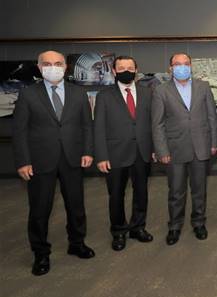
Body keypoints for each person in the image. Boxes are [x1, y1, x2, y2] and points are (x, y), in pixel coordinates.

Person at [13, 50, 95, 276]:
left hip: (73, 157)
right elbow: (19, 131)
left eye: (58, 63)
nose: (53, 67)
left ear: (65, 67)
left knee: (76, 206)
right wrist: (23, 161)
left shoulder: (79, 93)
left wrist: (88, 151)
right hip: (40, 160)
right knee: (40, 209)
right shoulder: (28, 94)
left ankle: (77, 243)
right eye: (47, 64)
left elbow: (87, 125)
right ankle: (41, 253)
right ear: (40, 68)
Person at [151, 52, 217, 245]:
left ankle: (199, 223)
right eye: (177, 64)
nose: (182, 67)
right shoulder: (161, 91)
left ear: (191, 66)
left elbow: (212, 117)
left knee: (199, 190)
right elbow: (157, 124)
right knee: (176, 192)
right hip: (175, 149)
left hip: (200, 147)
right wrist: (162, 151)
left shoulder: (203, 87)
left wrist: (213, 143)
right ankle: (174, 226)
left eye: (186, 63)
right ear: (170, 68)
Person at [94, 55, 154, 252]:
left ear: (136, 70)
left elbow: (153, 123)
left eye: (130, 67)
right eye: (121, 68)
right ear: (114, 71)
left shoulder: (148, 93)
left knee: (141, 192)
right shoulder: (104, 96)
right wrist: (101, 156)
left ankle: (138, 227)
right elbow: (98, 128)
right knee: (116, 195)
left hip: (142, 152)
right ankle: (119, 231)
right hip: (115, 154)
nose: (126, 71)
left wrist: (154, 149)